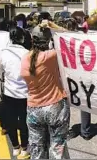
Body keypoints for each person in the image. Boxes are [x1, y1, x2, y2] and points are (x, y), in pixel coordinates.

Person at [20, 22, 70, 159]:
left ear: (32, 39)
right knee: (57, 146)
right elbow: (68, 37)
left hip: (33, 110)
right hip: (55, 107)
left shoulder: (25, 58)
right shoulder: (51, 56)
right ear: (48, 40)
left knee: (36, 148)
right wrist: (53, 25)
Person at [0, 27, 29, 158]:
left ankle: (15, 147)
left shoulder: (3, 53)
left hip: (9, 93)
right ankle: (24, 147)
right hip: (25, 94)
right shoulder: (28, 53)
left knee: (10, 121)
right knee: (24, 121)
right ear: (22, 38)